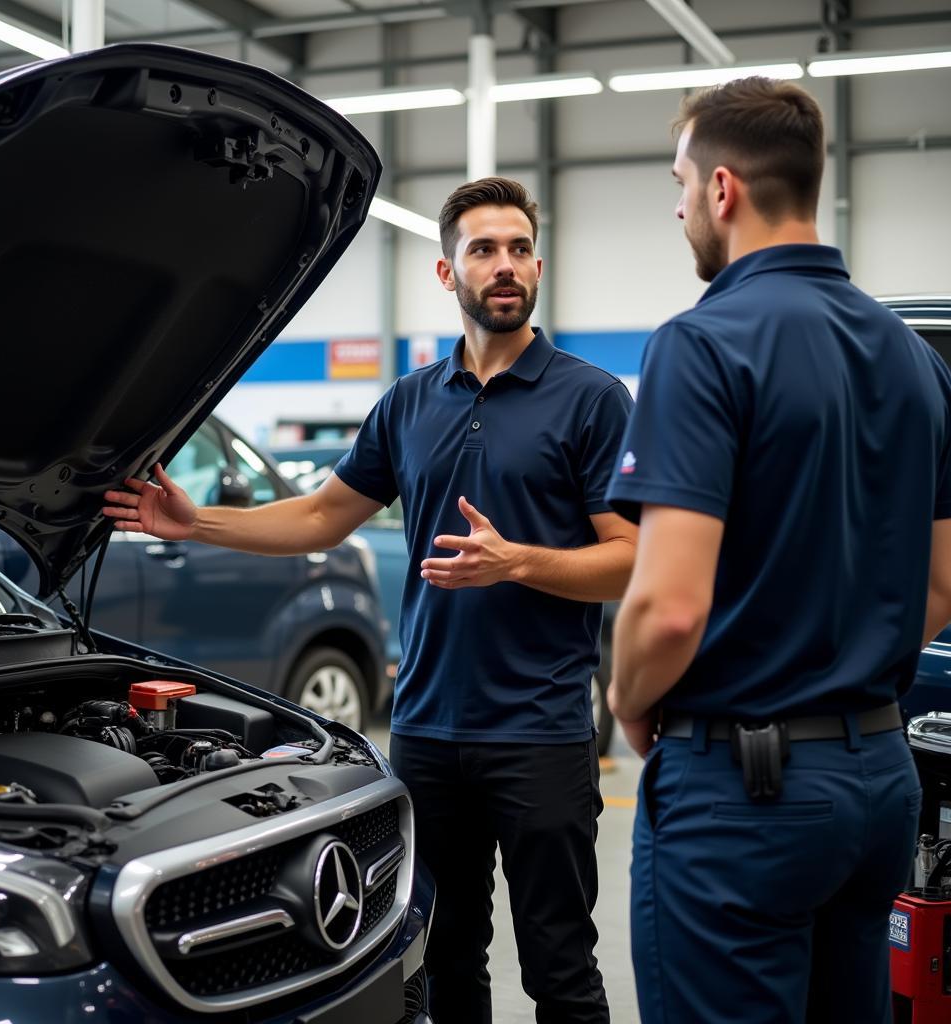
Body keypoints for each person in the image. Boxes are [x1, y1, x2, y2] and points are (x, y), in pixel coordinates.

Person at [103, 176, 636, 1024]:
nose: (505, 266)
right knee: (443, 956)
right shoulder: (410, 402)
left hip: (539, 730)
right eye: (483, 250)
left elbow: (629, 559)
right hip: (425, 730)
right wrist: (197, 522)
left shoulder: (593, 399)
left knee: (561, 968)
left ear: (538, 263)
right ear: (445, 272)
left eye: (518, 249)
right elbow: (321, 515)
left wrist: (518, 563)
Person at [604, 76, 951, 1023]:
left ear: (723, 188)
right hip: (881, 781)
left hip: (743, 794)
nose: (677, 208)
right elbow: (943, 584)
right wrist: (841, 660)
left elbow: (669, 605)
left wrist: (630, 701)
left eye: (679, 184)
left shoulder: (703, 344)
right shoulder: (914, 357)